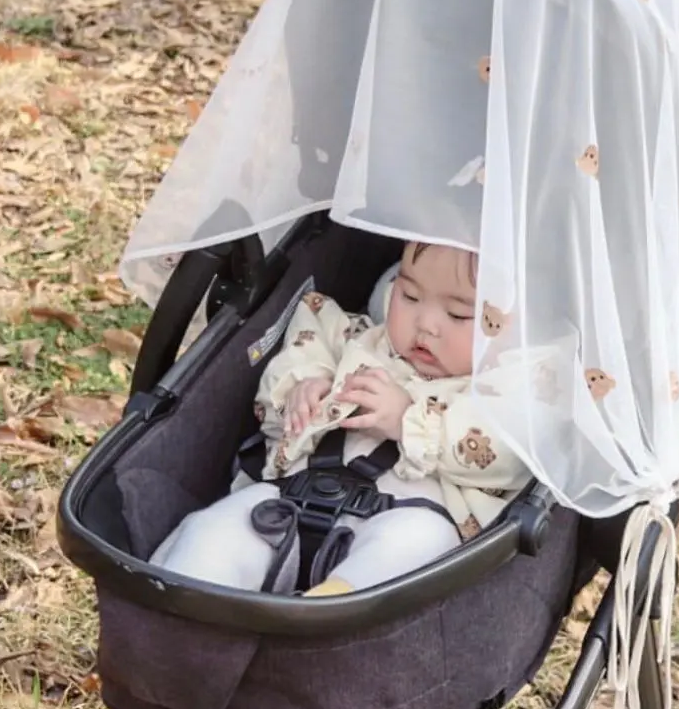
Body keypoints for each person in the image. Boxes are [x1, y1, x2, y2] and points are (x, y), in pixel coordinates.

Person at [150, 239, 530, 596]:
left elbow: (509, 455)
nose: (426, 324)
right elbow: (304, 342)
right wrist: (303, 385)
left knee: (421, 539)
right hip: (288, 501)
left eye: (459, 314)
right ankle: (185, 603)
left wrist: (409, 421)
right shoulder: (355, 337)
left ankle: (325, 610)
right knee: (216, 529)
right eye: (409, 295)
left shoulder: (506, 389)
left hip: (409, 516)